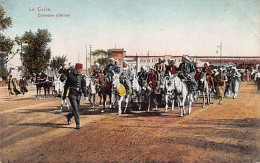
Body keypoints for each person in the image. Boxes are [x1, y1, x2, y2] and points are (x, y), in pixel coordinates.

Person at [64, 63, 88, 129]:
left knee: (75, 110)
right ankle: (78, 124)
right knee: (76, 109)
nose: (80, 71)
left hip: (78, 95)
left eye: (81, 70)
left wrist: (86, 95)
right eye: (79, 69)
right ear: (76, 69)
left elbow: (83, 86)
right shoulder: (70, 76)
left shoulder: (82, 77)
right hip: (72, 94)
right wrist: (64, 96)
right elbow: (66, 86)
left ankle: (69, 116)